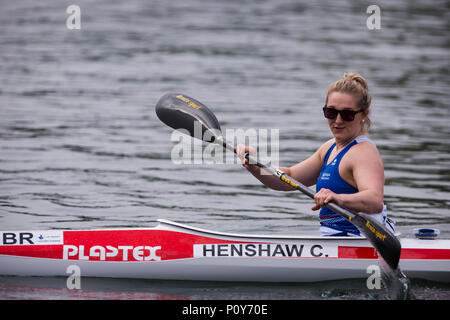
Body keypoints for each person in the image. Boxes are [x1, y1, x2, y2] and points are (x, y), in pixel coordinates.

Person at [236, 72, 395, 236]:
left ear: (364, 114)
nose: (338, 121)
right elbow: (289, 178)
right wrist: (255, 166)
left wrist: (338, 198)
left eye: (347, 114)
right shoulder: (329, 148)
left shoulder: (363, 152)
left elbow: (374, 200)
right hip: (333, 238)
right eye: (331, 113)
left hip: (359, 241)